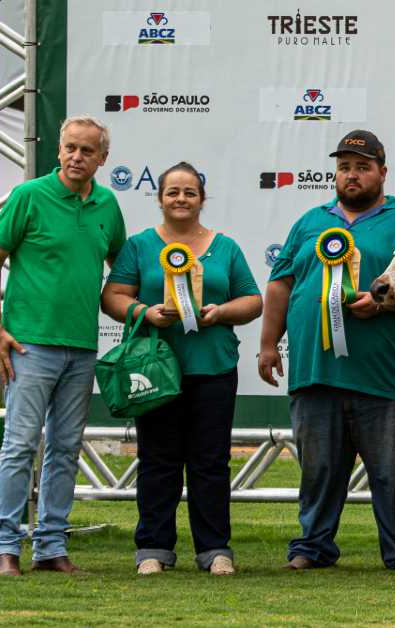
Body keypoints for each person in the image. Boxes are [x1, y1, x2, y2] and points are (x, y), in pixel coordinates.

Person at [257, 129, 395, 572]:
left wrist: (384, 303)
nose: (352, 175)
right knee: (318, 472)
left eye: (362, 167)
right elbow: (281, 283)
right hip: (316, 372)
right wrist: (267, 344)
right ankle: (311, 548)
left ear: (382, 173)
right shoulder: (309, 222)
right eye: (344, 168)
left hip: (386, 375)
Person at [101, 162, 262, 576]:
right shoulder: (138, 246)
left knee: (210, 463)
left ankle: (214, 550)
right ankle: (153, 548)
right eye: (173, 191)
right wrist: (145, 311)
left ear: (201, 199)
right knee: (158, 460)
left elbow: (253, 301)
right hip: (156, 373)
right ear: (160, 198)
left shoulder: (225, 247)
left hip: (213, 368)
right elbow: (113, 296)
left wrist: (221, 311)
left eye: (189, 192)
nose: (181, 199)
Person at [0, 115, 126, 576]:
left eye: (87, 151)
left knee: (66, 449)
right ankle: (5, 547)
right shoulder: (29, 195)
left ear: (103, 159)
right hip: (29, 345)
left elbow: (121, 266)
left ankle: (50, 547)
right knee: (20, 445)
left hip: (82, 347)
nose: (76, 157)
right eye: (70, 148)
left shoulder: (107, 203)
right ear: (59, 150)